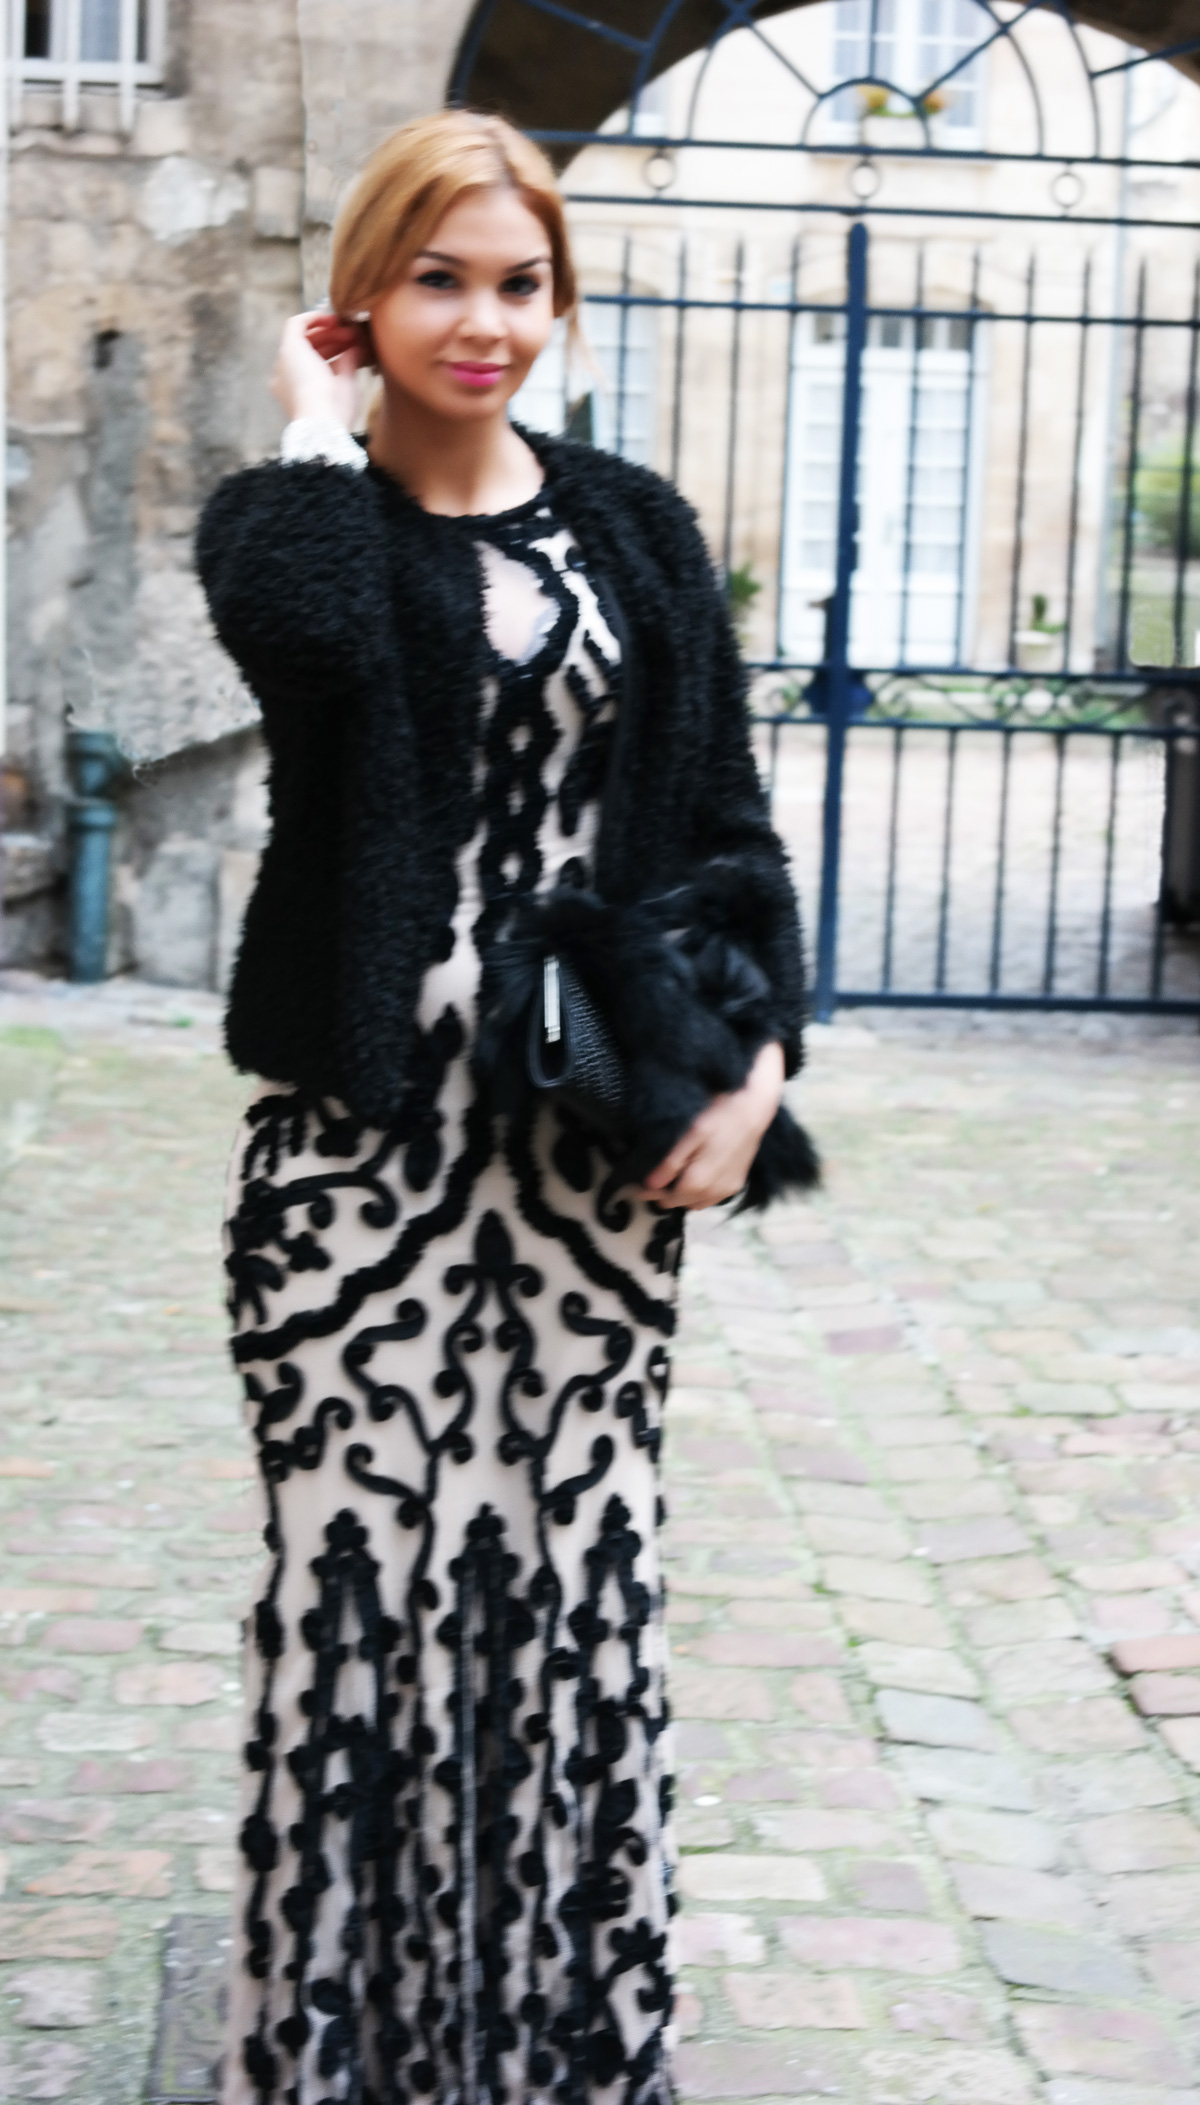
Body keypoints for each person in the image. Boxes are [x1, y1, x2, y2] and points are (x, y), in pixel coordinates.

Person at [198, 108, 806, 2105]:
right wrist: (318, 424)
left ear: (561, 299)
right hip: (357, 1164)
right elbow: (315, 653)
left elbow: (726, 828)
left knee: (575, 1593)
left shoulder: (635, 526)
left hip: (582, 1159)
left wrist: (761, 1062)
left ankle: (567, 2051)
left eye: (520, 283)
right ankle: (342, 2060)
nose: (485, 321)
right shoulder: (298, 519)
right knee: (360, 1606)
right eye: (437, 278)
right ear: (364, 297)